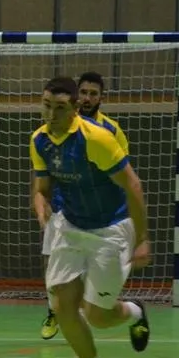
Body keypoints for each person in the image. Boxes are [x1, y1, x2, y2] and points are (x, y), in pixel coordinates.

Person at [30, 76, 151, 358]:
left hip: (111, 229)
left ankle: (135, 312)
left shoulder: (96, 139)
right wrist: (40, 204)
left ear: (74, 109)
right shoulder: (39, 140)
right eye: (46, 106)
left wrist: (142, 238)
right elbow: (42, 187)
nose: (51, 114)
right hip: (70, 226)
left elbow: (133, 186)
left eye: (59, 108)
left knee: (97, 316)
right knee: (62, 306)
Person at [39, 72, 131, 340]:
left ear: (101, 98)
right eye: (84, 92)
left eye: (94, 93)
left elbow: (124, 176)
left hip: (100, 217)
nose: (88, 98)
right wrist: (43, 200)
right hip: (63, 209)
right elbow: (45, 173)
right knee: (52, 263)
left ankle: (90, 312)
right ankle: (54, 312)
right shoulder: (53, 128)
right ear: (76, 98)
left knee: (90, 278)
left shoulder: (109, 131)